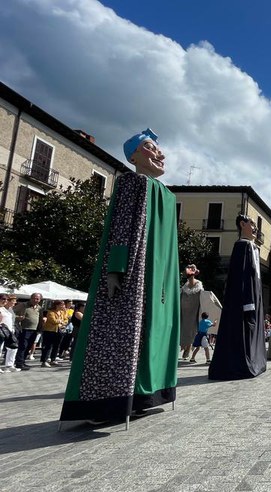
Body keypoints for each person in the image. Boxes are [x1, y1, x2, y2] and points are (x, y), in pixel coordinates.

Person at [62, 129, 180, 425]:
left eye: (158, 149)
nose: (160, 154)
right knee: (124, 332)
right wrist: (115, 268)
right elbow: (121, 226)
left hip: (158, 280)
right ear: (133, 155)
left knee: (152, 332)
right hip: (133, 274)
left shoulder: (165, 195)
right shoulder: (131, 182)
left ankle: (144, 395)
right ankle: (106, 402)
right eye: (151, 148)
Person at [209, 214, 268, 379]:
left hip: (254, 298)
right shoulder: (242, 247)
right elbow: (242, 277)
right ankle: (241, 363)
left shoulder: (252, 247)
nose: (255, 228)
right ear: (242, 224)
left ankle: (256, 360)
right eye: (252, 223)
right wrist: (248, 302)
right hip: (244, 301)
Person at [180, 264, 204, 360]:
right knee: (184, 329)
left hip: (194, 311)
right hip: (184, 311)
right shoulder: (184, 287)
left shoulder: (198, 285)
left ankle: (188, 347)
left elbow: (202, 298)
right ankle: (185, 346)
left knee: (192, 329)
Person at [14, 293, 42, 368]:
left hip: (34, 330)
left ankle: (22, 361)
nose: (35, 300)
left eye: (37, 299)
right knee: (23, 346)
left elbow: (40, 319)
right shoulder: (23, 305)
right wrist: (18, 318)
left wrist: (39, 329)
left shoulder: (39, 308)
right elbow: (12, 313)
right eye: (34, 298)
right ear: (31, 298)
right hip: (24, 329)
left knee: (29, 346)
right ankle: (19, 363)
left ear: (40, 300)